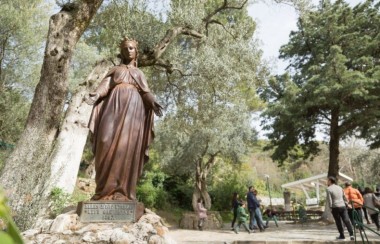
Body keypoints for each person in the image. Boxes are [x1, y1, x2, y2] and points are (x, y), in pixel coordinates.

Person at [87, 37, 163, 201]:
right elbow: (105, 85)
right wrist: (96, 94)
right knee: (104, 140)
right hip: (113, 106)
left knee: (127, 147)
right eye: (125, 48)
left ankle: (122, 191)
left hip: (133, 111)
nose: (128, 50)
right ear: (121, 51)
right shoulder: (115, 69)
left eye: (131, 48)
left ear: (136, 52)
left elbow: (145, 92)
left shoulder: (139, 73)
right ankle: (102, 191)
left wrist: (153, 102)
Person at [326, 176, 354, 240]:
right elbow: (345, 197)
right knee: (347, 220)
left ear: (330, 181)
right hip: (343, 206)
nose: (327, 182)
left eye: (327, 180)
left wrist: (330, 208)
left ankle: (342, 235)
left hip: (335, 207)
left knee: (338, 221)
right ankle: (351, 235)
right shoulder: (340, 187)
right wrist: (346, 203)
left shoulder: (328, 189)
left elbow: (330, 200)